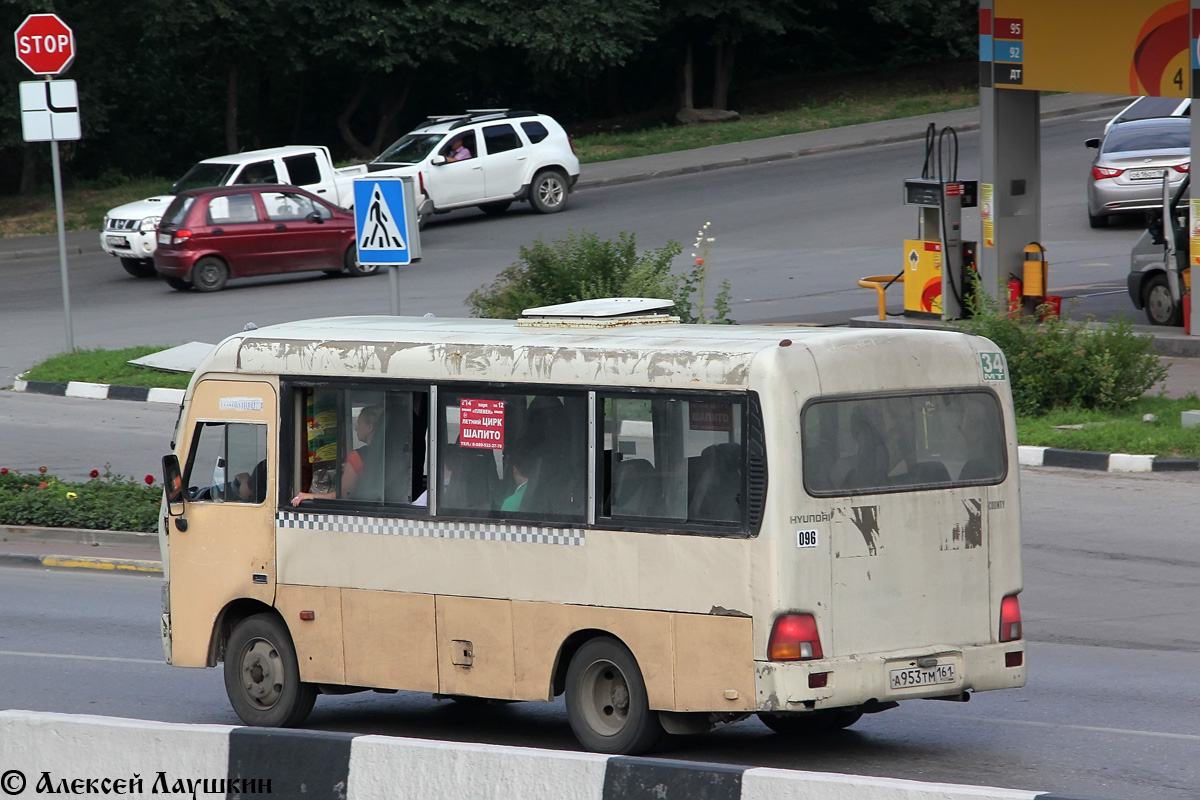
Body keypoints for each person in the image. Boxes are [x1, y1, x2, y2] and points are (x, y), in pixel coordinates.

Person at [292, 405, 384, 505]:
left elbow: (344, 495)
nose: (356, 428)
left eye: (359, 424)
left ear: (369, 427)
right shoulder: (391, 454)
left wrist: (311, 496)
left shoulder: (357, 457)